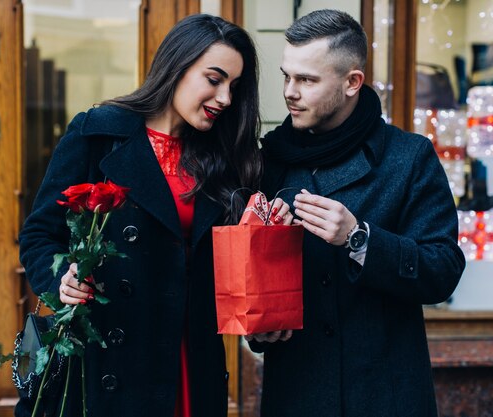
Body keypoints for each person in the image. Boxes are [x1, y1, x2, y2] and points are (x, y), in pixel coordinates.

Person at [18, 14, 290, 417]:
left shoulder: (229, 159)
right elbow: (40, 233)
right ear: (176, 66)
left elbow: (235, 273)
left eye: (234, 86)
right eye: (214, 79)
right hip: (111, 362)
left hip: (189, 358)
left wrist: (266, 227)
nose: (225, 98)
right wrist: (62, 279)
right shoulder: (98, 134)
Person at [247, 9, 466, 417]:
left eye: (307, 80)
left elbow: (444, 270)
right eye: (286, 76)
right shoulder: (268, 162)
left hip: (385, 394)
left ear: (352, 82)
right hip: (297, 393)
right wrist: (261, 329)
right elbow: (252, 281)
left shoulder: (409, 156)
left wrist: (359, 237)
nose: (289, 92)